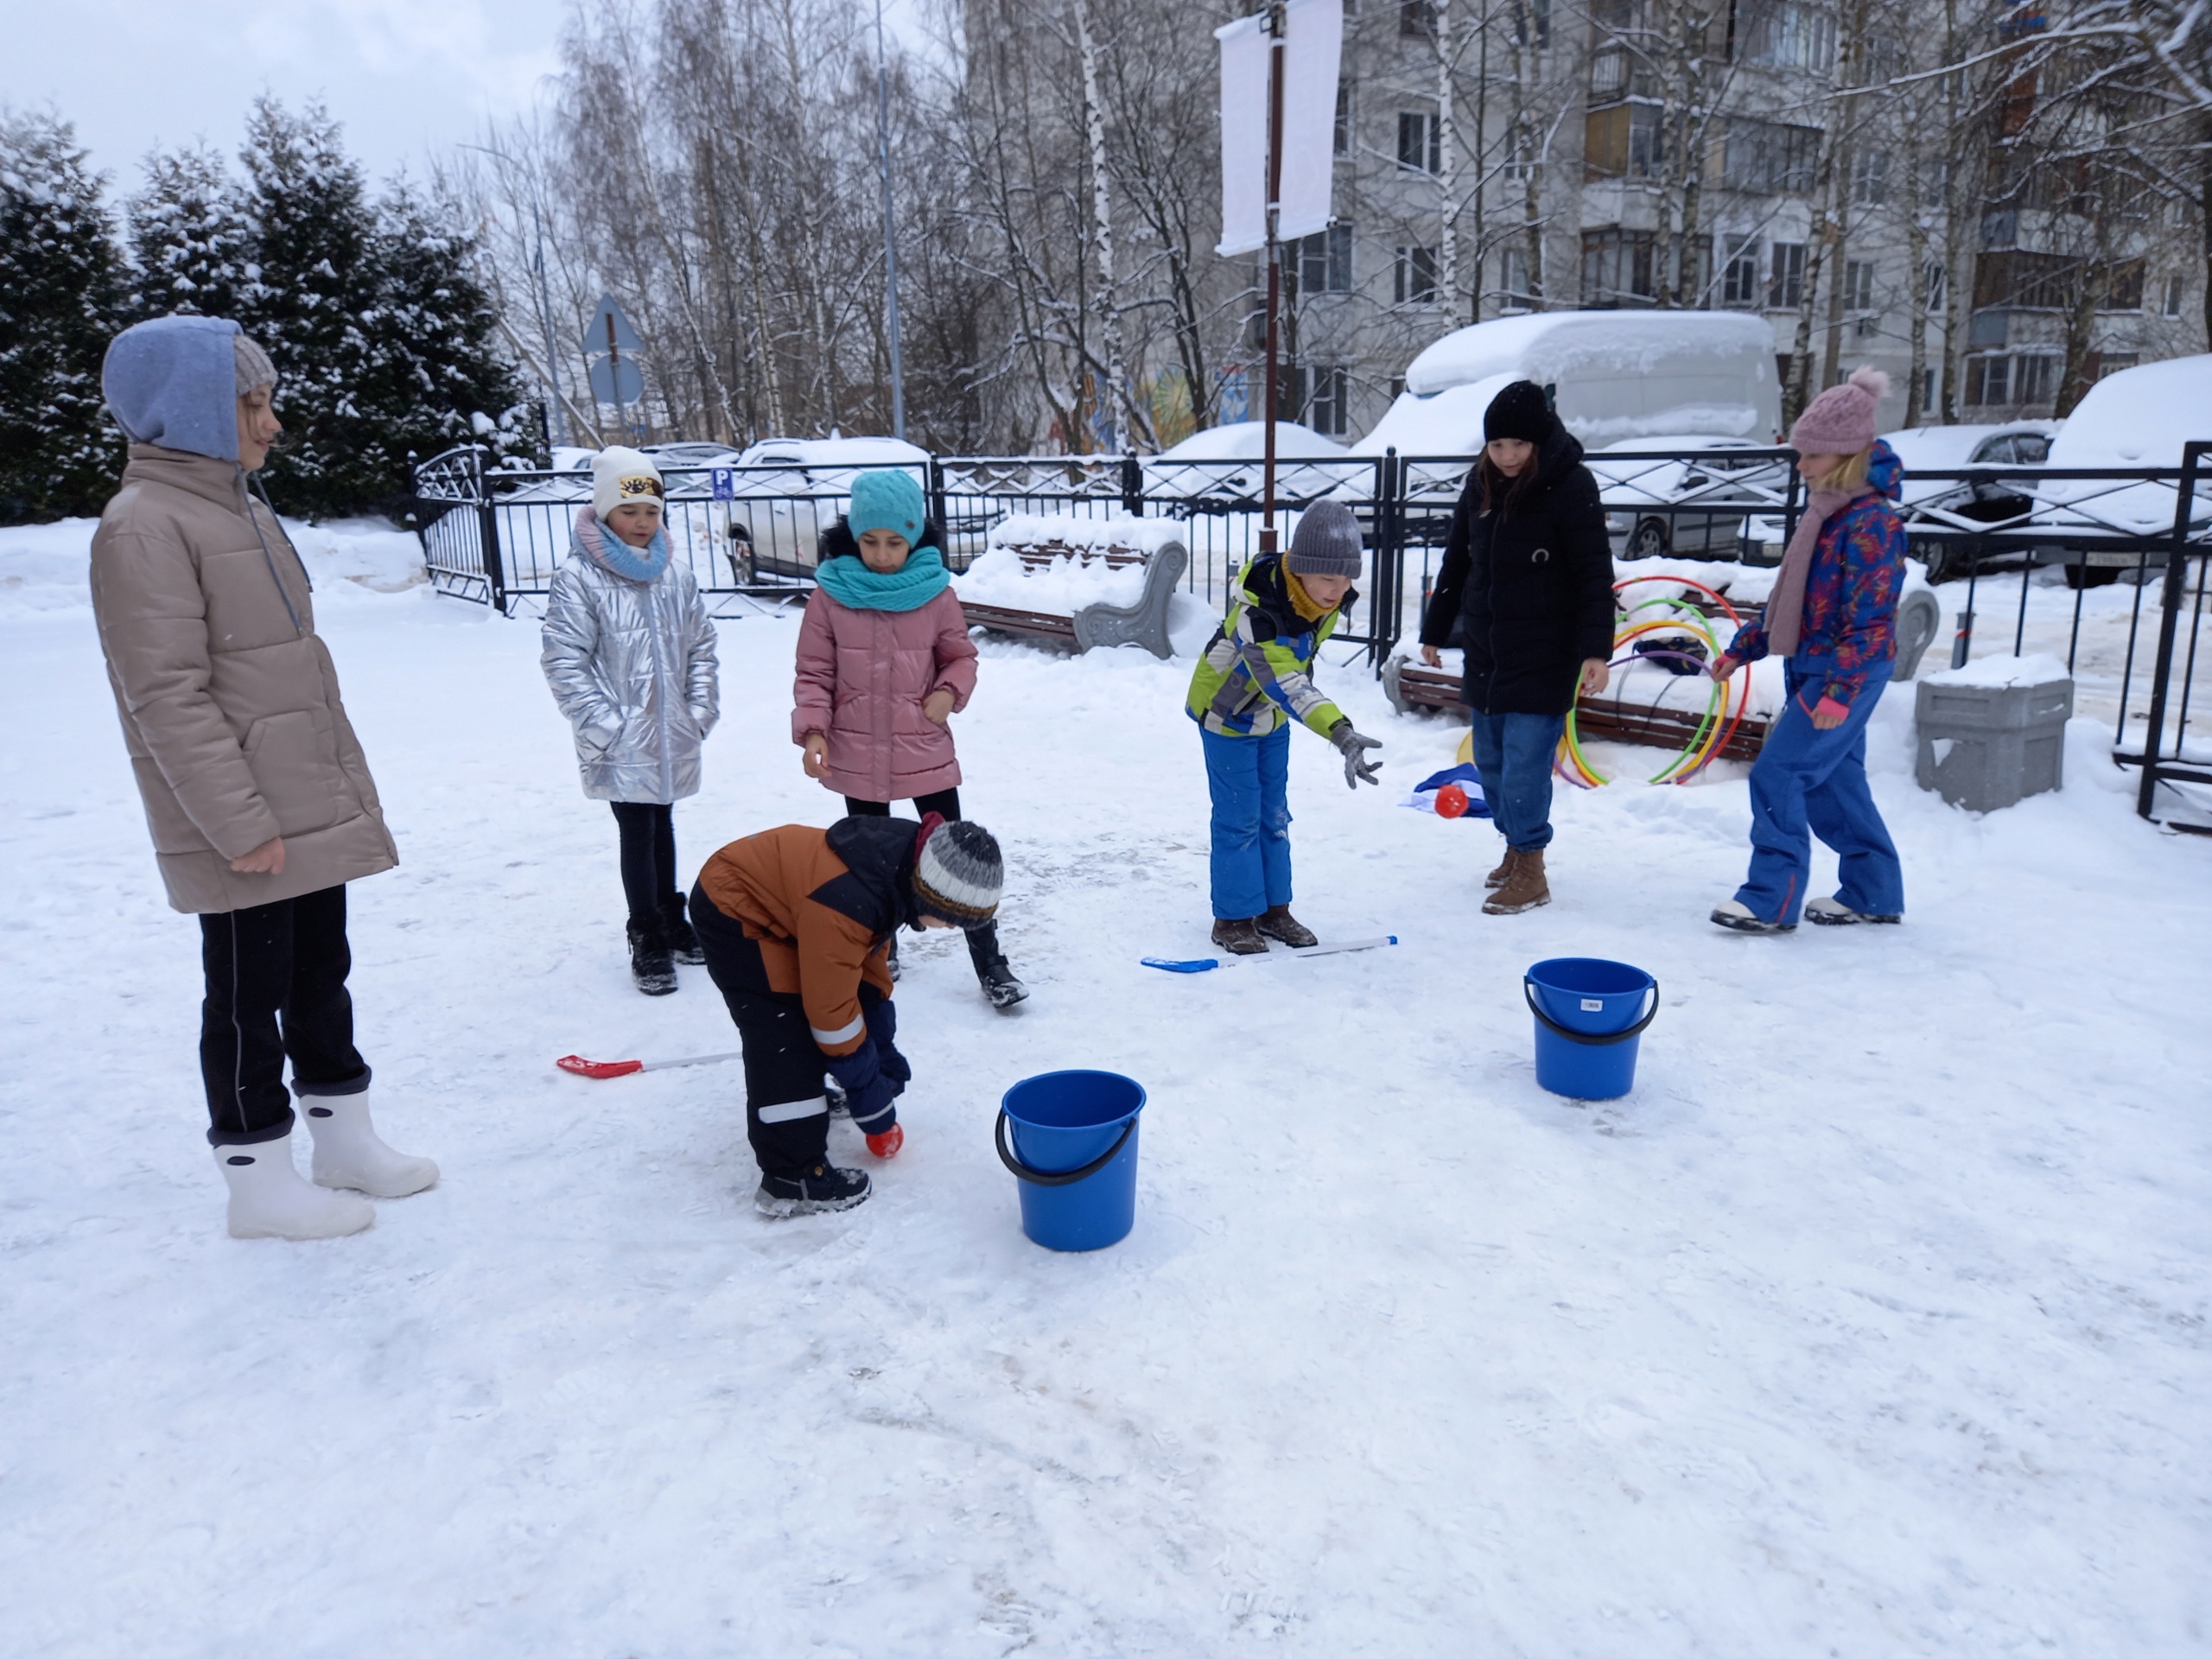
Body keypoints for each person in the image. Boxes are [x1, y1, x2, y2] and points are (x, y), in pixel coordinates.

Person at [91, 315, 436, 1241]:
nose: (272, 422)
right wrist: (237, 821)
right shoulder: (145, 527)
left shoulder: (237, 503)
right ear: (193, 412)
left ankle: (343, 1139)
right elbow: (165, 694)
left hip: (301, 799)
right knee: (248, 995)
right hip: (239, 819)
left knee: (322, 971)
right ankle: (257, 1177)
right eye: (253, 403)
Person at [690, 812, 1005, 1217]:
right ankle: (793, 1177)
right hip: (737, 910)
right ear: (931, 894)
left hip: (790, 911)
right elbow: (832, 1015)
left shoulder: (901, 867)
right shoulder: (850, 899)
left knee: (821, 1015)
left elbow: (863, 967)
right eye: (950, 919)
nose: (947, 929)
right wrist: (868, 1094)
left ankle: (807, 1103)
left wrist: (880, 1047)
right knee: (785, 1037)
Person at [792, 469, 1026, 1009]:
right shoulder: (830, 594)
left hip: (923, 745)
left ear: (915, 536)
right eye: (869, 541)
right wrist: (813, 731)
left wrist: (948, 691)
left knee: (958, 854)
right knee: (867, 858)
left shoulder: (935, 592)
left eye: (894, 542)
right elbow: (813, 671)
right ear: (853, 537)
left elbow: (959, 656)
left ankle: (990, 962)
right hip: (855, 749)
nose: (881, 554)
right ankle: (880, 947)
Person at [1709, 367, 1906, 933]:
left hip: (1845, 670)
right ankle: (1873, 892)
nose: (1802, 467)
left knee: (1780, 775)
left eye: (1811, 456)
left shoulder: (1871, 525)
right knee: (1839, 785)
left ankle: (1771, 898)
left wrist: (1839, 693)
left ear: (1844, 454)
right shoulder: (1827, 513)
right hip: (1814, 664)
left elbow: (1869, 621)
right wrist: (1745, 649)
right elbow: (1791, 599)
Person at [1418, 379, 1614, 915]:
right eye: (1497, 445)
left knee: (1526, 764)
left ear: (1539, 442)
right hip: (1488, 652)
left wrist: (1596, 649)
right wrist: (1436, 631)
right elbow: (1456, 563)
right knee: (1492, 762)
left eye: (1518, 446)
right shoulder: (1479, 486)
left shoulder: (1570, 486)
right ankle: (1514, 846)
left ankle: (1532, 866)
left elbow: (1595, 573)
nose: (1506, 456)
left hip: (1546, 653)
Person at [541, 448, 720, 995]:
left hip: (670, 732)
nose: (642, 523)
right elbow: (563, 659)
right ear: (605, 513)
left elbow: (702, 647)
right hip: (622, 736)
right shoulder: (579, 578)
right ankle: (646, 932)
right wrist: (607, 725)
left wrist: (699, 709)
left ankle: (669, 914)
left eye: (651, 510)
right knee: (636, 828)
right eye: (629, 511)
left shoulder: (675, 575)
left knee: (660, 822)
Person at [1184, 499, 1385, 955]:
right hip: (1227, 716)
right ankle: (1233, 917)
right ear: (1299, 570)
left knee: (1274, 816)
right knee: (1239, 817)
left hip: (1271, 718)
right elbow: (1286, 681)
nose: (1338, 590)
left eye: (1347, 578)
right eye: (1328, 579)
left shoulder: (1318, 601)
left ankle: (1274, 910)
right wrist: (1340, 730)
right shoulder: (1259, 615)